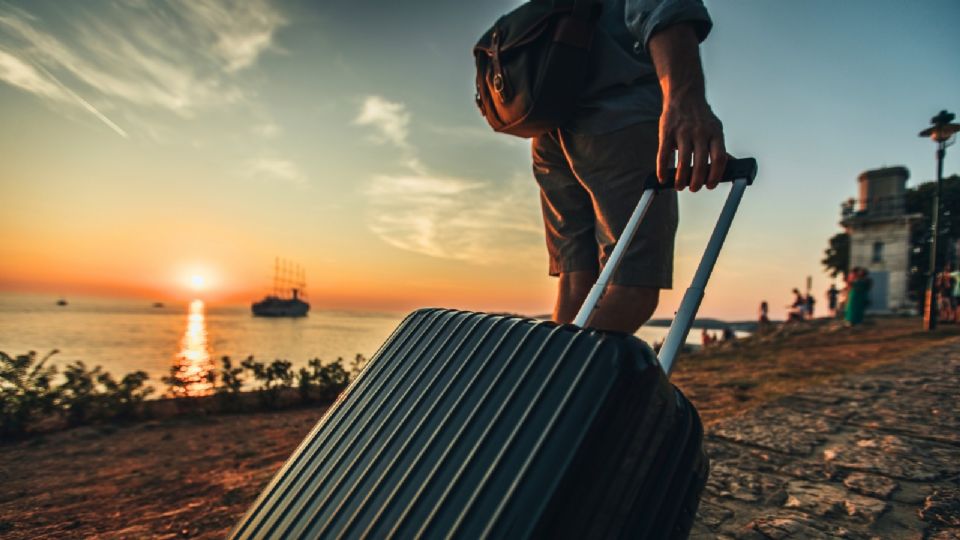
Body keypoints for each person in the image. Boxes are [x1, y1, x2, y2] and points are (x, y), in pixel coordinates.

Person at [532, 0, 724, 333]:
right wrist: (684, 98)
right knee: (631, 288)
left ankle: (544, 382)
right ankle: (568, 384)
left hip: (550, 124)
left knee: (576, 284)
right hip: (618, 114)